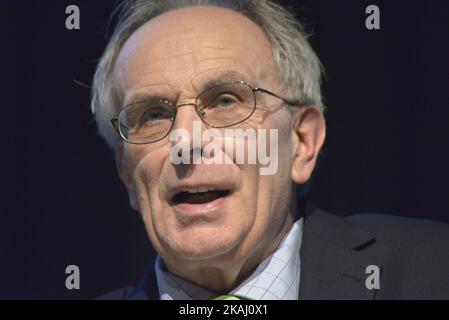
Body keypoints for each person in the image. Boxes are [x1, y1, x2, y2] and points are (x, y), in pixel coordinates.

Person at [91, 0, 449, 299]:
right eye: (154, 114)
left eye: (226, 101)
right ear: (126, 172)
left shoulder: (434, 269)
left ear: (301, 143)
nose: (186, 141)